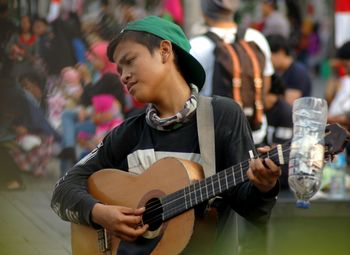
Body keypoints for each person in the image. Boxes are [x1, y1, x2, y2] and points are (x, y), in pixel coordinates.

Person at [51, 16, 281, 254]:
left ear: (164, 50)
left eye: (130, 61)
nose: (123, 75)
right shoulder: (128, 133)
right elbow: (63, 188)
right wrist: (100, 213)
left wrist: (264, 187)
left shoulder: (221, 116)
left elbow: (251, 209)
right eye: (119, 69)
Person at [189, 0, 274, 146]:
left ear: (204, 12)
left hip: (214, 136)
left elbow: (188, 96)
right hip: (254, 133)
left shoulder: (195, 45)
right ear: (233, 11)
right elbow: (264, 88)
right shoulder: (257, 38)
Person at [267, 33, 312, 106]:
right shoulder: (278, 71)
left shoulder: (298, 71)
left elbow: (291, 101)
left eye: (269, 55)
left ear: (281, 52)